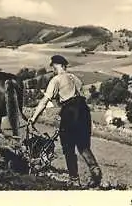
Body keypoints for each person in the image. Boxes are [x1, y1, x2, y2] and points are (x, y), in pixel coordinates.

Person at [28, 55, 102, 188]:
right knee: (83, 145)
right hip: (84, 110)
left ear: (58, 66)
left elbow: (45, 101)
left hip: (70, 111)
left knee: (68, 147)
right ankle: (95, 170)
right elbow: (82, 95)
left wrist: (33, 118)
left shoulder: (55, 80)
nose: (53, 69)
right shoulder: (75, 78)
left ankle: (74, 179)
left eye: (53, 66)